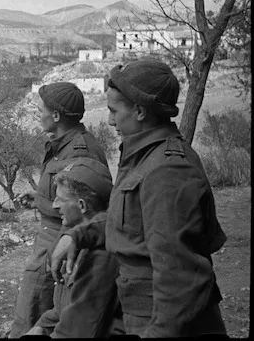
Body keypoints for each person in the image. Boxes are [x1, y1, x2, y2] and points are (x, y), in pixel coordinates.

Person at [50, 59, 227, 337]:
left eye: (114, 111)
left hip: (163, 322)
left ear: (140, 111)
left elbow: (179, 278)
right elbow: (133, 223)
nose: (109, 121)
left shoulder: (168, 170)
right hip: (141, 313)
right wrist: (77, 235)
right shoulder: (143, 156)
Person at [8, 82, 108, 338]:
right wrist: (40, 200)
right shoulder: (64, 144)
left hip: (57, 246)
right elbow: (67, 197)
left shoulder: (79, 152)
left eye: (40, 110)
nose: (37, 114)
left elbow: (85, 209)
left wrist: (65, 243)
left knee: (31, 321)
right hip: (52, 242)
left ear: (55, 116)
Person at [25, 157, 123, 338]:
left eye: (61, 199)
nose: (54, 205)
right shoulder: (75, 243)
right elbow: (61, 311)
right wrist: (41, 327)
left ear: (82, 206)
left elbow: (77, 331)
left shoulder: (99, 256)